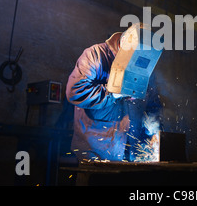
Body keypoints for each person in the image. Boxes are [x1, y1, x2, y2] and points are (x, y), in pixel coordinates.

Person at [66, 23, 161, 162]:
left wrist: (154, 131)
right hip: (96, 153)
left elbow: (153, 105)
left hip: (133, 155)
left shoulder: (146, 66)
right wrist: (114, 93)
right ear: (124, 43)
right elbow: (75, 92)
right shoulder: (96, 55)